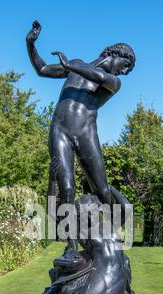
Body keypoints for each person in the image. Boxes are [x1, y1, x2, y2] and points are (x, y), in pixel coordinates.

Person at [26, 20, 135, 262]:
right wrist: (30, 44)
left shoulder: (113, 81)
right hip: (60, 131)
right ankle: (71, 246)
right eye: (125, 65)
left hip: (86, 133)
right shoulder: (75, 65)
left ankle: (115, 225)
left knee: (102, 190)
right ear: (113, 53)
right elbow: (42, 69)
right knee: (66, 187)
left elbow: (97, 74)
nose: (124, 72)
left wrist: (71, 67)